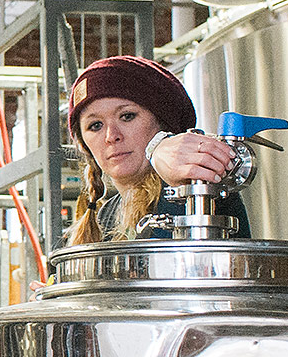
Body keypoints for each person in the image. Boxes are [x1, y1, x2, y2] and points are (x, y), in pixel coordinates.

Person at [65, 54, 250, 245]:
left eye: (127, 116)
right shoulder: (107, 215)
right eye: (95, 125)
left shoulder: (194, 186)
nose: (111, 136)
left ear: (163, 123)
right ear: (84, 144)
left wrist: (164, 150)